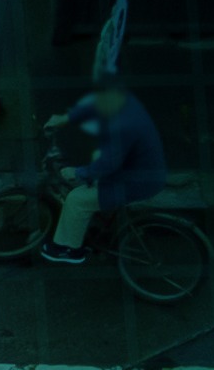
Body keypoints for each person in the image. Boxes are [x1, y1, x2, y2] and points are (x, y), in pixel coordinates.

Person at [47, 83, 168, 264]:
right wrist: (65, 118)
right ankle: (93, 228)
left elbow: (107, 164)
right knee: (94, 166)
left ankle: (70, 251)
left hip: (134, 182)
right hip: (144, 173)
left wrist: (78, 172)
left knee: (76, 199)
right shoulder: (129, 107)